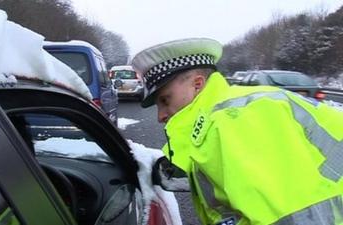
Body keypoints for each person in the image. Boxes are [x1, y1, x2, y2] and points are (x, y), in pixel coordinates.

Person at [131, 37, 343, 225]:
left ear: (197, 85)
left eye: (165, 100)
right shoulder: (216, 121)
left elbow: (291, 218)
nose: (160, 116)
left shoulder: (235, 122)